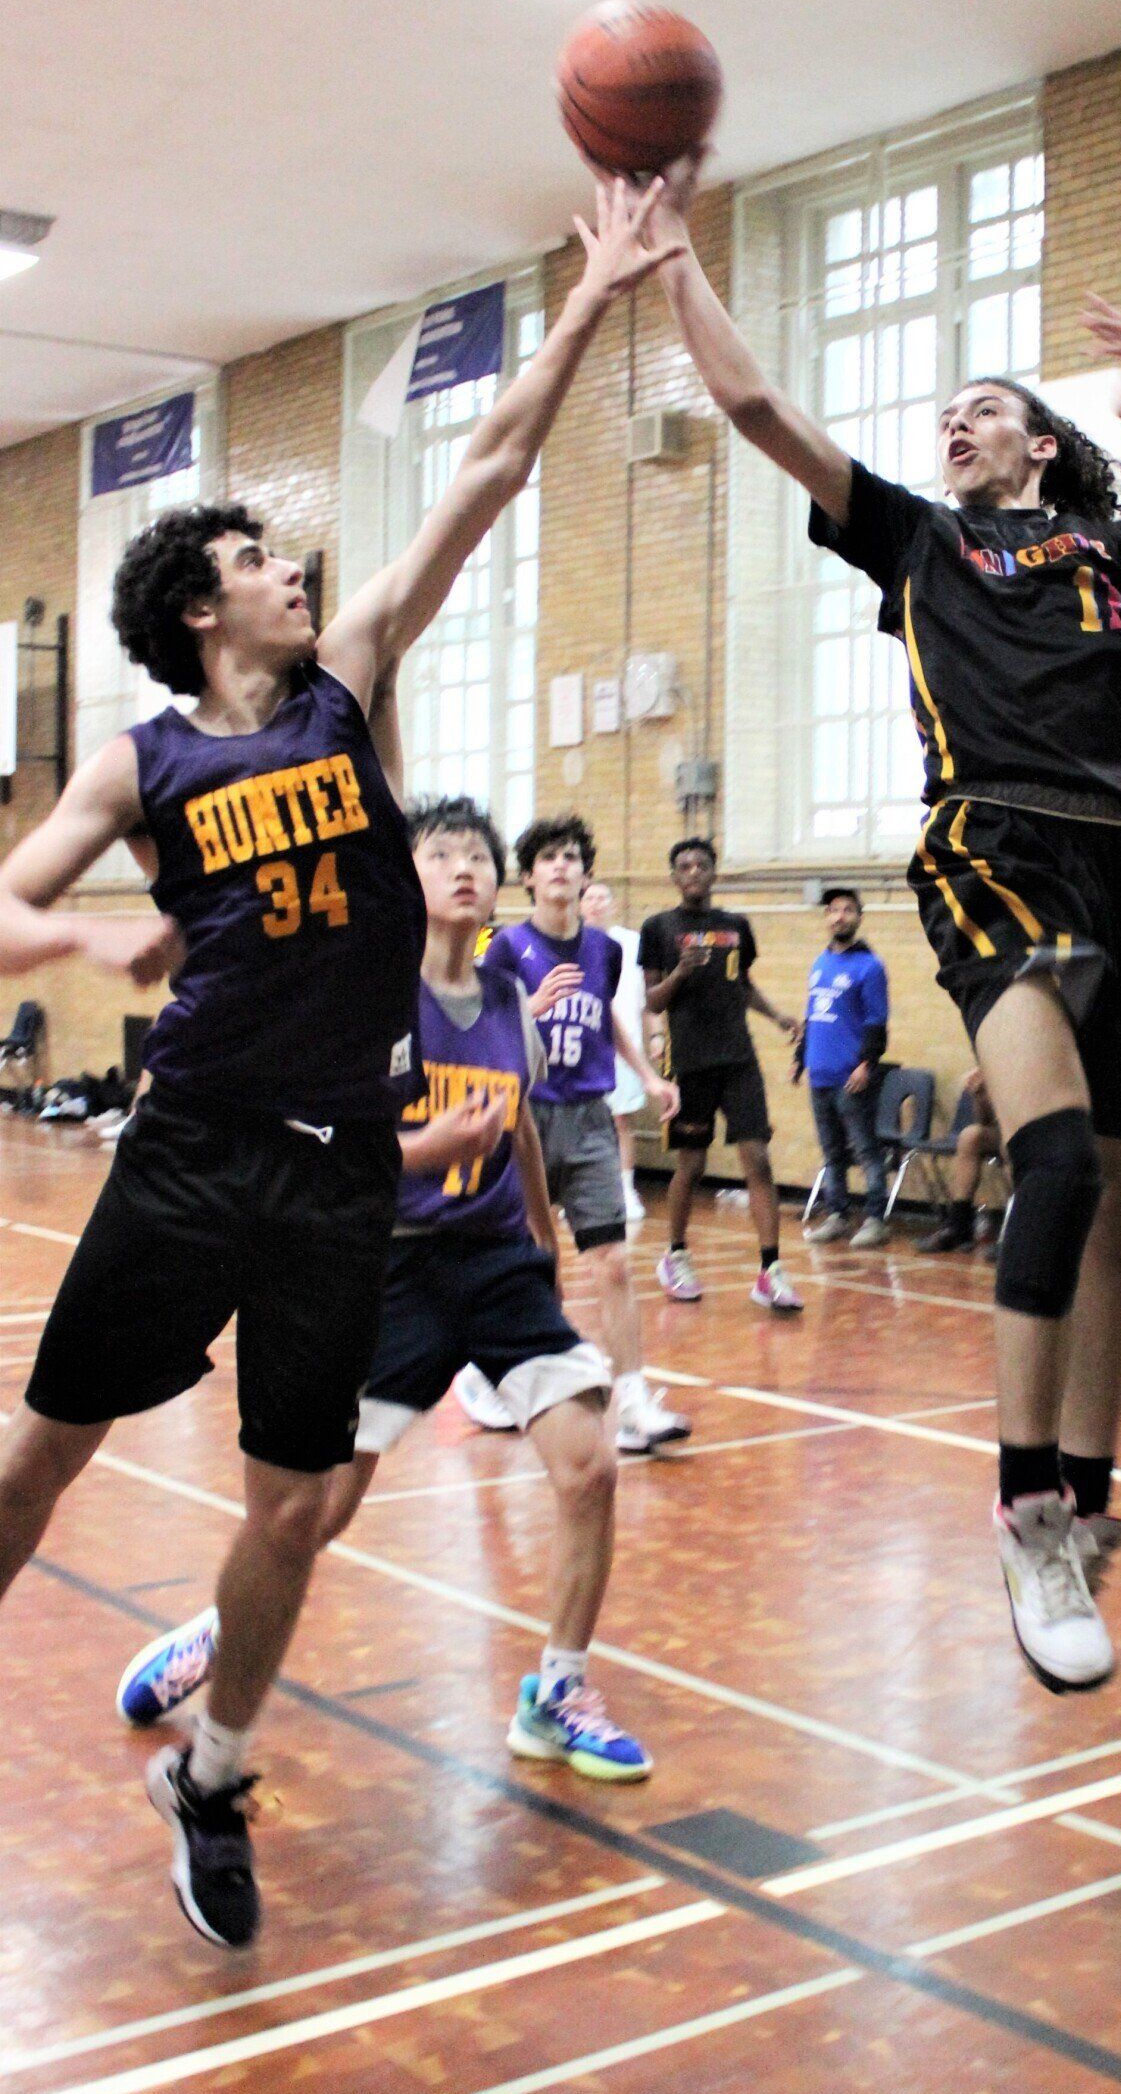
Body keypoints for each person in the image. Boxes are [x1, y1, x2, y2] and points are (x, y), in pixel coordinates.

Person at [0, 175, 673, 1945]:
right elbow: (5, 905)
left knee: (298, 1498)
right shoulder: (138, 765)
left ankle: (211, 1770)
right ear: (204, 614)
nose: (295, 569)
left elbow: (487, 476)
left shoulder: (350, 682)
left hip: (337, 1161)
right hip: (197, 1140)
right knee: (44, 1453)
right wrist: (80, 936)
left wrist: (594, 293)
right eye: (258, 561)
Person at [645, 167, 1121, 1691]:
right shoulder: (918, 539)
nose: (952, 425)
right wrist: (672, 265)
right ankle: (1023, 1502)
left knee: (1114, 1206)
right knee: (1048, 1164)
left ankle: (1084, 1522)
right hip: (990, 840)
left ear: (1042, 442)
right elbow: (760, 407)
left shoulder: (1108, 551)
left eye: (982, 408)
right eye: (947, 415)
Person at [116, 797, 656, 1784]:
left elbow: (523, 1128)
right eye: (440, 852)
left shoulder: (505, 1002)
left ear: (497, 885)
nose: (463, 867)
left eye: (476, 856)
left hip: (494, 1266)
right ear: (405, 878)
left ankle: (557, 1688)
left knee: (590, 1465)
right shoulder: (361, 998)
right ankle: (218, 1627)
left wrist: (539, 1238)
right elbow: (310, 1146)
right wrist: (419, 1148)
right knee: (315, 1512)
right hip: (385, 1263)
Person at [474, 816, 687, 1455]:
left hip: (591, 1116)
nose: (561, 866)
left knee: (615, 1262)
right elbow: (479, 1023)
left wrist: (648, 1076)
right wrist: (529, 1010)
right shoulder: (507, 946)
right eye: (548, 857)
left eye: (572, 856)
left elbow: (609, 1021)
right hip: (526, 1121)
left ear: (585, 873)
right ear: (530, 875)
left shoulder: (604, 949)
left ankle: (632, 1399)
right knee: (535, 1264)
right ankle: (490, 1375)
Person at [640, 834, 802, 1310]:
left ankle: (770, 1269)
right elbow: (652, 1000)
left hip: (738, 1058)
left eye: (701, 865)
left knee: (759, 1159)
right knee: (691, 1164)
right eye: (684, 866)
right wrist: (681, 973)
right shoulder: (658, 927)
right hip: (689, 1061)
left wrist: (777, 1016)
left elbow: (742, 984)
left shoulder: (736, 926)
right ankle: (675, 1255)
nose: (693, 872)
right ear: (674, 876)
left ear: (714, 873)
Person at [798, 884, 890, 1244]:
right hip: (819, 1074)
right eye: (834, 910)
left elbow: (876, 1023)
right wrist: (799, 1059)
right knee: (831, 1152)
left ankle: (876, 1219)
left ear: (858, 917)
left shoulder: (870, 966)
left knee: (866, 1150)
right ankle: (837, 1214)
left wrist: (866, 1063)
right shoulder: (819, 964)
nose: (840, 916)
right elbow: (813, 1016)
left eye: (848, 910)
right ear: (826, 918)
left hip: (851, 1077)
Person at [582, 874, 652, 1227]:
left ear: (613, 904)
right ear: (581, 905)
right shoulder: (571, 943)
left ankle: (625, 1189)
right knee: (586, 1123)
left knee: (621, 1120)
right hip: (584, 1049)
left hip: (626, 1048)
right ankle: (581, 1192)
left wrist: (655, 1038)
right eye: (589, 897)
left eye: (602, 897)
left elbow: (646, 1002)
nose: (596, 903)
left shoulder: (632, 943)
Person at [920, 1066, 1005, 1254]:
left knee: (1014, 1141)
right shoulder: (999, 1065)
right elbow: (984, 1120)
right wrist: (979, 1094)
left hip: (1043, 1131)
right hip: (1008, 1129)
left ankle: (1021, 1231)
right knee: (970, 1136)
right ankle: (959, 1225)